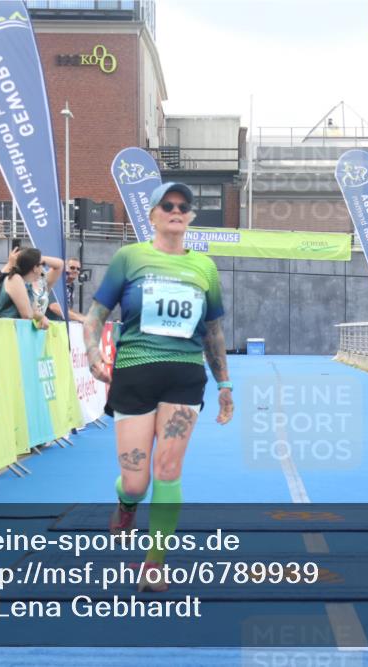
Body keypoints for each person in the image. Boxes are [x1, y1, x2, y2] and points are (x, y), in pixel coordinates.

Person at [83, 182, 233, 592]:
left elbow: (214, 331)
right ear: (152, 215)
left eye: (184, 206)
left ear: (190, 217)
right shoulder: (129, 257)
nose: (176, 210)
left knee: (168, 470)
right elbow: (95, 315)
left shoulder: (205, 268)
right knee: (136, 481)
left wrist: (224, 382)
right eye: (167, 205)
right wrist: (94, 355)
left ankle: (155, 564)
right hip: (135, 373)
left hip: (184, 376)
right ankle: (126, 503)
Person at [0, 247, 63, 329]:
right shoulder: (15, 279)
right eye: (42, 265)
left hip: (13, 331)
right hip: (4, 330)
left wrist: (34, 257)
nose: (43, 268)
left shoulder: (27, 285)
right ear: (35, 268)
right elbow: (27, 314)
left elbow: (33, 311)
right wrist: (41, 317)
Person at [47, 257, 87, 323]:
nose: (76, 270)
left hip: (60, 325)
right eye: (72, 268)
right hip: (48, 325)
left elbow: (66, 308)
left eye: (78, 269)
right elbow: (54, 307)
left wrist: (83, 317)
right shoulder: (55, 283)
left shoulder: (71, 285)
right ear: (65, 269)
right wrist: (79, 318)